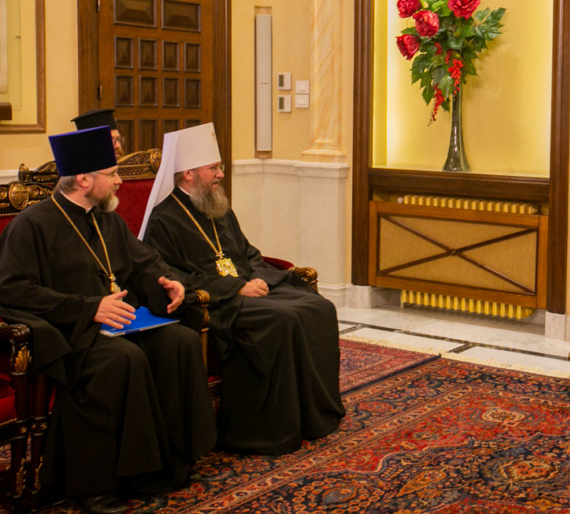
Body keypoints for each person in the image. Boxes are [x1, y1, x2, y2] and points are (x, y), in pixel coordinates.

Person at [0, 126, 215, 514]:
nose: (120, 182)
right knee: (122, 360)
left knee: (180, 342)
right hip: (72, 331)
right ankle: (97, 485)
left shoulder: (107, 220)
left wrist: (167, 284)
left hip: (122, 322)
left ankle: (165, 464)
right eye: (112, 174)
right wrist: (88, 308)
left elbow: (143, 264)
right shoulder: (31, 225)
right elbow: (13, 289)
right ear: (84, 179)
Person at [139, 123, 345, 456]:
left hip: (247, 287)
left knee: (318, 307)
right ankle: (270, 430)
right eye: (214, 168)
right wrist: (237, 288)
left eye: (219, 167)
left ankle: (315, 414)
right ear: (188, 174)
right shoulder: (164, 220)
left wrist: (259, 279)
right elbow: (173, 275)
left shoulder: (217, 207)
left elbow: (247, 252)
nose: (221, 174)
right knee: (283, 319)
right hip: (216, 303)